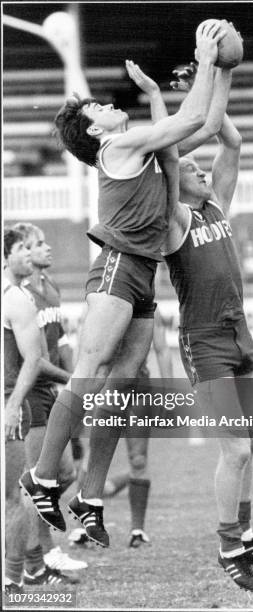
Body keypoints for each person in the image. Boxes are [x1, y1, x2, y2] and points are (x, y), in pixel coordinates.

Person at [20, 24, 228, 547]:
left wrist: (174, 89)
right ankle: (41, 477)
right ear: (94, 131)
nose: (108, 106)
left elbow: (191, 133)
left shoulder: (138, 148)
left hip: (140, 273)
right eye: (97, 107)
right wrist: (204, 59)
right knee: (89, 374)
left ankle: (89, 497)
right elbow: (194, 118)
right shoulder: (118, 144)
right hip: (116, 266)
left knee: (123, 383)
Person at [161, 58, 253, 591]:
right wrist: (196, 90)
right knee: (233, 448)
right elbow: (166, 158)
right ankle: (229, 546)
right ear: (174, 182)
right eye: (192, 170)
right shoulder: (176, 221)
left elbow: (231, 143)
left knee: (251, 442)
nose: (202, 171)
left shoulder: (217, 208)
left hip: (239, 334)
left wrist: (214, 86)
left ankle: (246, 531)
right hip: (205, 341)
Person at [3, 229, 78, 595]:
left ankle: (28, 565)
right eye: (25, 248)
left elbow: (44, 349)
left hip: (34, 395)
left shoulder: (29, 293)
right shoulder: (18, 295)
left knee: (49, 479)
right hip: (27, 395)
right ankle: (35, 563)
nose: (34, 253)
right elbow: (36, 357)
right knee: (27, 488)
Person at [72, 308, 174, 549]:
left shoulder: (150, 308)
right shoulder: (98, 306)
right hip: (104, 391)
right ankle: (83, 528)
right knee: (92, 460)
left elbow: (162, 349)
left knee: (138, 459)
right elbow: (84, 354)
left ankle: (137, 531)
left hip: (138, 391)